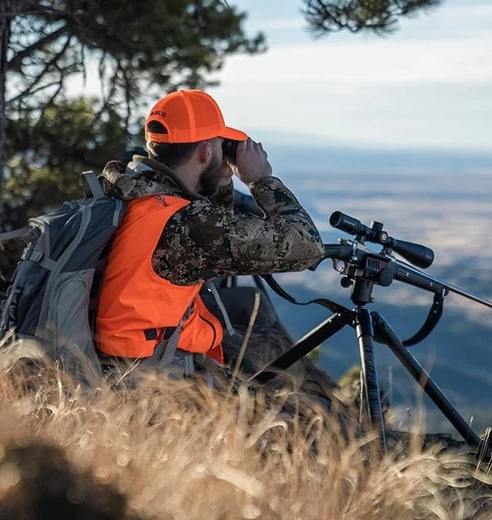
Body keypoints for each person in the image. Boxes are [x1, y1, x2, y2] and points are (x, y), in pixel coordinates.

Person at [94, 89, 326, 383]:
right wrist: (261, 181)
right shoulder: (187, 223)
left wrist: (221, 178)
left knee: (249, 313)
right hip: (156, 380)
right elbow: (306, 245)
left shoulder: (135, 189)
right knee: (293, 397)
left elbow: (211, 236)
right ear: (205, 152)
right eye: (219, 145)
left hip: (127, 359)